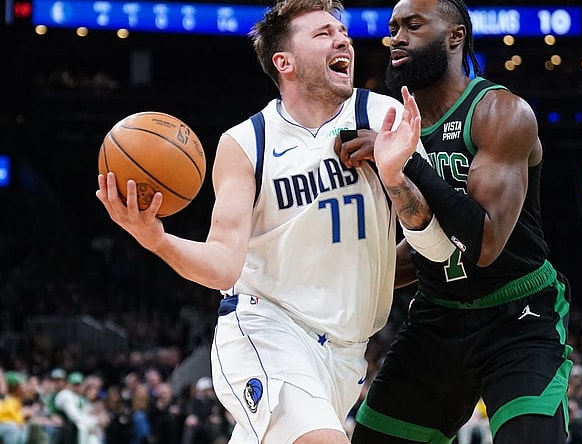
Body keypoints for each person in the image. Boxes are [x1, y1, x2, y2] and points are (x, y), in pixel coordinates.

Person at [95, 0, 448, 442]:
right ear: (285, 62)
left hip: (347, 354)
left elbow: (436, 249)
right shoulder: (245, 143)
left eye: (343, 33)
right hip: (267, 331)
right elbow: (224, 265)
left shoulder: (386, 118)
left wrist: (395, 178)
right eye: (322, 34)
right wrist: (157, 239)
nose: (343, 40)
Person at [340, 0, 573, 442]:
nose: (397, 37)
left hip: (517, 315)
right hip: (438, 316)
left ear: (454, 37)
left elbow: (483, 243)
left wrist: (405, 162)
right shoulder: (395, 124)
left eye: (413, 25)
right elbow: (430, 244)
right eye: (393, 27)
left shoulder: (499, 113)